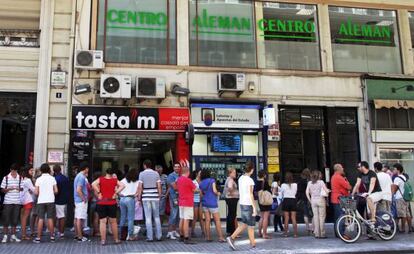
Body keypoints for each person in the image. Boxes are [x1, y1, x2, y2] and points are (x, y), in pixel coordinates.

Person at [226, 161, 257, 251]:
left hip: (242, 203)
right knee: (250, 225)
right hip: (248, 203)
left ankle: (252, 243)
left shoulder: (240, 178)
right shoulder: (250, 180)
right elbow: (251, 194)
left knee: (245, 223)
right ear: (252, 170)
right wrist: (254, 207)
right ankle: (232, 238)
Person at [92, 168, 125, 245]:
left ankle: (103, 240)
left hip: (102, 202)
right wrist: (116, 193)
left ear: (106, 173)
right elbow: (123, 185)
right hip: (112, 203)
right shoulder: (114, 180)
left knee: (102, 222)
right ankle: (116, 239)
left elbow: (93, 184)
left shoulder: (100, 179)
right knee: (113, 222)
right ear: (112, 173)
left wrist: (99, 192)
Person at [138, 160, 162, 242]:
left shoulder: (141, 174)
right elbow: (159, 186)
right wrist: (159, 195)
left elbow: (140, 187)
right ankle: (159, 236)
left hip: (146, 197)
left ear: (144, 165)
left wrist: (139, 197)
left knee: (148, 218)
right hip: (155, 197)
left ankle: (150, 237)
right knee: (157, 217)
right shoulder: (156, 173)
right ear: (151, 165)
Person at [33, 163, 58, 243]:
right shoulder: (52, 178)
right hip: (50, 200)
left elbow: (36, 192)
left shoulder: (38, 179)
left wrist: (42, 193)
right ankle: (52, 237)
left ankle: (38, 238)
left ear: (41, 170)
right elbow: (56, 191)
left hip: (41, 201)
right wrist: (51, 193)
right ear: (49, 170)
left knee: (40, 219)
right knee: (50, 218)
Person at [199, 169, 225, 242]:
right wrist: (218, 193)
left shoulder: (201, 183)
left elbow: (200, 195)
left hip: (205, 203)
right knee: (217, 220)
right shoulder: (212, 180)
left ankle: (208, 237)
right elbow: (214, 191)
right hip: (212, 203)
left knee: (207, 220)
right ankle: (220, 237)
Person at [1, 163, 22, 243]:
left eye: (15, 171)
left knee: (15, 219)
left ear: (17, 171)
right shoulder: (6, 178)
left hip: (17, 201)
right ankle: (5, 236)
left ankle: (13, 235)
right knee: (6, 219)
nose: (14, 173)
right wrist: (8, 189)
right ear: (10, 170)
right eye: (12, 171)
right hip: (8, 201)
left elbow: (22, 188)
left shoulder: (20, 178)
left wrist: (19, 188)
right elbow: (2, 189)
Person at [306, 170, 331, 239]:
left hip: (313, 200)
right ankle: (322, 234)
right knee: (322, 217)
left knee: (316, 217)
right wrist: (328, 191)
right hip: (320, 200)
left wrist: (310, 200)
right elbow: (326, 191)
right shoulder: (321, 182)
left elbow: (307, 192)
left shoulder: (309, 183)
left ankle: (317, 233)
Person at [330, 163, 351, 237]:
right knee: (341, 217)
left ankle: (337, 233)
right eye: (342, 168)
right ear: (338, 169)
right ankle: (341, 234)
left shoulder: (333, 177)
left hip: (335, 198)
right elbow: (348, 187)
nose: (343, 169)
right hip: (340, 199)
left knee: (337, 217)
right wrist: (346, 180)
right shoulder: (339, 177)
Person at [177, 166, 196, 244]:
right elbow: (195, 189)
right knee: (186, 220)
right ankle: (186, 237)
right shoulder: (188, 180)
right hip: (188, 202)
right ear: (187, 172)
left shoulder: (179, 179)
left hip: (181, 202)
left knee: (181, 219)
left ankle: (181, 236)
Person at [119, 168, 139, 241]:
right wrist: (135, 195)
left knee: (123, 217)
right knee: (130, 218)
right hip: (130, 198)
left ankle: (122, 235)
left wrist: (120, 194)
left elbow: (117, 188)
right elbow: (138, 191)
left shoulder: (124, 180)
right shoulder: (137, 181)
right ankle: (130, 236)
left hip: (122, 199)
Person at [73, 162, 90, 242]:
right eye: (88, 168)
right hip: (80, 201)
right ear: (86, 168)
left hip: (77, 200)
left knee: (77, 218)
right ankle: (80, 236)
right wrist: (84, 198)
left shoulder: (78, 176)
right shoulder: (81, 177)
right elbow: (79, 189)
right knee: (80, 218)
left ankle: (77, 235)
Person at [392, 163, 410, 233]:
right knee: (407, 213)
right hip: (405, 197)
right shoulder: (404, 177)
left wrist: (392, 195)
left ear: (398, 170)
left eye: (394, 169)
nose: (393, 170)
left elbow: (395, 188)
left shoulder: (397, 178)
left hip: (400, 197)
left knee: (402, 214)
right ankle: (410, 228)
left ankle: (402, 229)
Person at [54, 165, 70, 239]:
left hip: (58, 199)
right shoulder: (65, 178)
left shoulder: (55, 179)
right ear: (60, 170)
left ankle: (61, 232)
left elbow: (55, 191)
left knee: (60, 216)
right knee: (61, 216)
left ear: (54, 171)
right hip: (64, 199)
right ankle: (60, 232)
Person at [19, 165, 35, 241]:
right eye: (31, 170)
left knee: (22, 218)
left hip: (21, 201)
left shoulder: (20, 179)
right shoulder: (28, 180)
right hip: (27, 201)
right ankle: (24, 235)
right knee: (25, 218)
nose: (32, 172)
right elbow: (34, 190)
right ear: (27, 171)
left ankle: (23, 234)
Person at [280, 172, 298, 238]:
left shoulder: (283, 185)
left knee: (286, 218)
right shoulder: (295, 185)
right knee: (293, 218)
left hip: (286, 200)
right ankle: (295, 234)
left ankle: (285, 233)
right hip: (293, 200)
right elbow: (295, 193)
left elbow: (281, 193)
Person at [166, 163, 181, 240]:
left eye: (178, 167)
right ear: (173, 168)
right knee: (173, 214)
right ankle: (170, 232)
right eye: (175, 167)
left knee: (177, 215)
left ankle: (174, 230)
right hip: (174, 197)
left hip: (180, 198)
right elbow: (174, 187)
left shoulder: (180, 176)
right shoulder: (171, 176)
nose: (177, 168)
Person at [256, 170, 272, 239]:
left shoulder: (257, 182)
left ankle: (259, 232)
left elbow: (256, 192)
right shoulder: (265, 182)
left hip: (260, 201)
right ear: (264, 175)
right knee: (265, 218)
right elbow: (270, 191)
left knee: (261, 217)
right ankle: (264, 234)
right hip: (266, 201)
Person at [223, 167, 239, 236]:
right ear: (230, 173)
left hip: (230, 198)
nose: (235, 174)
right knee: (232, 215)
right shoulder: (230, 180)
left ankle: (229, 230)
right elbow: (230, 188)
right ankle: (232, 232)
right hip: (232, 199)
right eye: (234, 173)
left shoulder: (228, 179)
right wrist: (232, 193)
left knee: (230, 214)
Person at [297, 168, 312, 235]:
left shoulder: (300, 181)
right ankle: (313, 228)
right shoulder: (310, 181)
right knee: (312, 214)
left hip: (303, 198)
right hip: (311, 198)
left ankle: (307, 227)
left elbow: (298, 191)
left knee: (305, 214)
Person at [191, 169, 205, 238]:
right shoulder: (193, 182)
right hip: (195, 201)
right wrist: (198, 191)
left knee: (201, 218)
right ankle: (192, 232)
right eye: (200, 173)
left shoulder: (202, 181)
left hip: (201, 201)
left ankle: (203, 232)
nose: (201, 174)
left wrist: (200, 191)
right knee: (195, 217)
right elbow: (191, 191)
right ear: (197, 174)